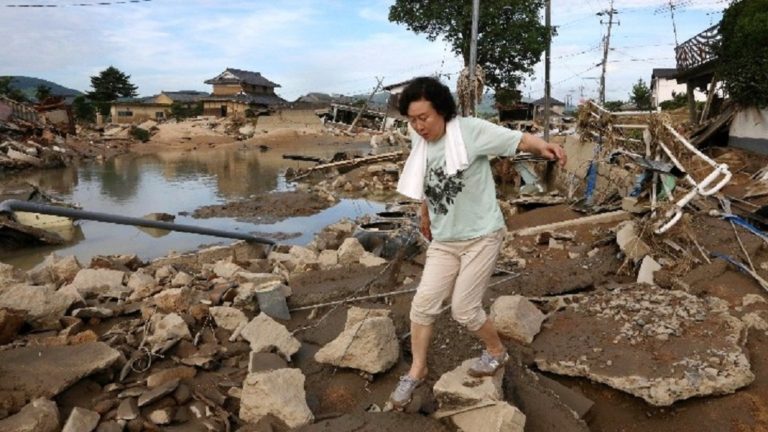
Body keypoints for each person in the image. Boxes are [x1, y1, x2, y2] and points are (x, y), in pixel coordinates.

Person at [389, 76, 566, 409]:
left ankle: (497, 352)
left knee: (464, 309)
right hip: (444, 240)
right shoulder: (420, 143)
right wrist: (425, 215)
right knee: (422, 306)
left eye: (423, 117)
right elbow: (425, 181)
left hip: (482, 236)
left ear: (441, 110)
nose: (418, 126)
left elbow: (518, 140)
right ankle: (417, 369)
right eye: (412, 120)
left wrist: (545, 147)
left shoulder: (470, 131)